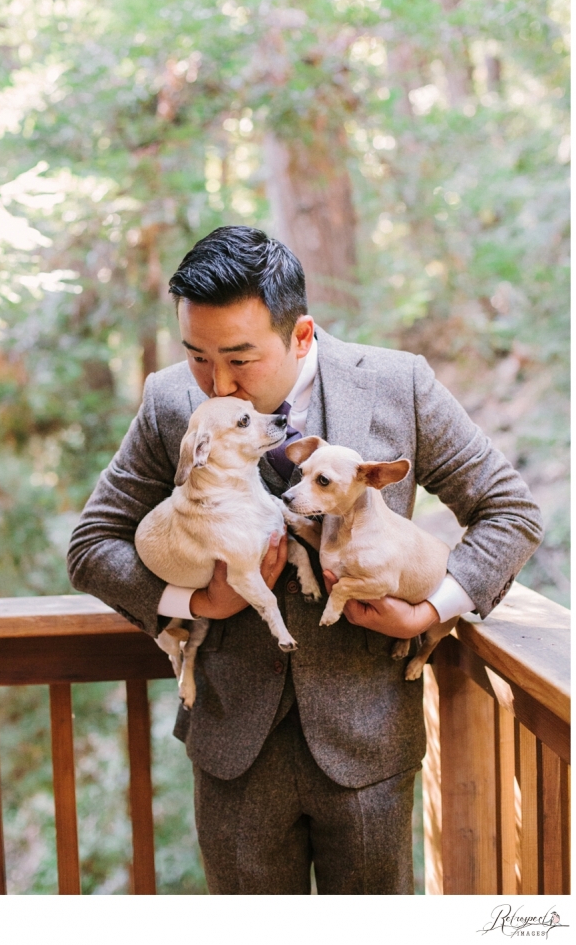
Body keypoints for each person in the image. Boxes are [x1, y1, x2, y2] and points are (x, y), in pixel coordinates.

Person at [67, 225, 543, 894]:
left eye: (239, 358)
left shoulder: (396, 384)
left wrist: (429, 611)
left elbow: (509, 512)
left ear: (299, 334)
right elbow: (92, 547)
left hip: (369, 746)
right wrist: (196, 603)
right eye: (198, 357)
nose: (217, 383)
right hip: (232, 751)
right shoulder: (169, 401)